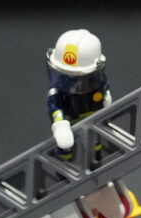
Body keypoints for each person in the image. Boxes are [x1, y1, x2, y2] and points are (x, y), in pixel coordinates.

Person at [46, 29, 110, 161]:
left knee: (95, 141)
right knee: (65, 148)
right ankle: (65, 163)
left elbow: (104, 93)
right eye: (67, 75)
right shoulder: (58, 90)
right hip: (69, 120)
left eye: (79, 77)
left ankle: (97, 159)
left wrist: (106, 102)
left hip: (93, 118)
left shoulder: (97, 84)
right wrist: (61, 126)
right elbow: (55, 107)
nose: (72, 81)